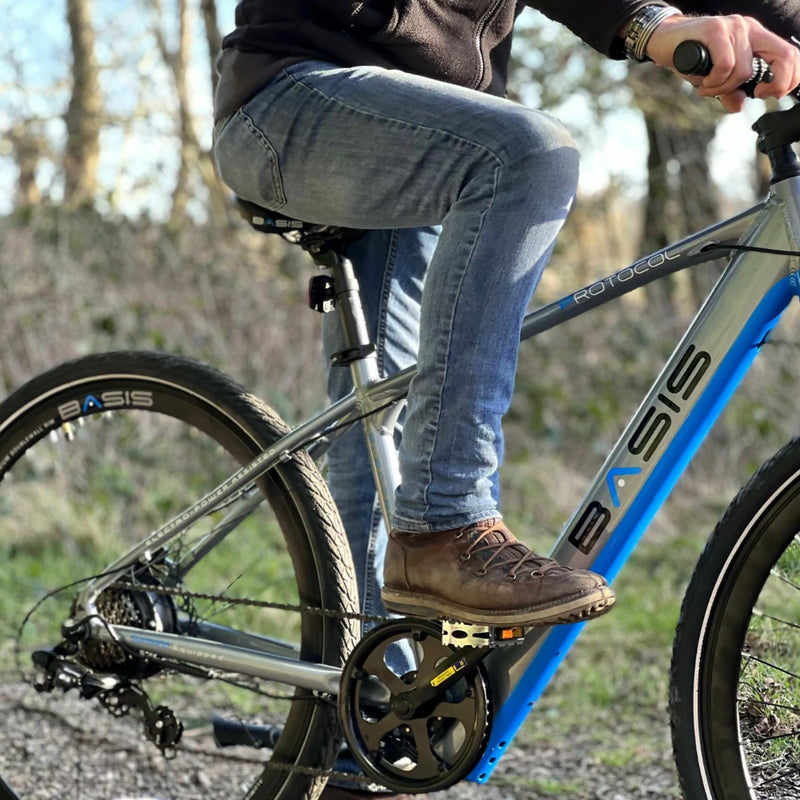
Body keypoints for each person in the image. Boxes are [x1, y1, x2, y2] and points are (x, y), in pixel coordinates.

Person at [213, 2, 800, 798]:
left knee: (376, 420)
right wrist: (646, 24)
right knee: (530, 154)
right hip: (290, 97)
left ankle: (354, 725)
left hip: (420, 123)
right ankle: (443, 526)